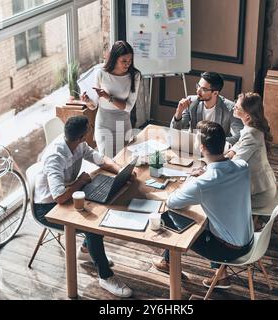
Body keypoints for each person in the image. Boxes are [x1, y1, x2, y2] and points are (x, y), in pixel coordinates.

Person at [34, 116, 134, 298]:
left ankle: (86, 250)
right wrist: (80, 181)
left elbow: (101, 160)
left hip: (69, 194)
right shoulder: (55, 156)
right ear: (81, 137)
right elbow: (59, 197)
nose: (91, 131)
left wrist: (122, 172)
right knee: (93, 228)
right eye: (89, 129)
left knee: (105, 206)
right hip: (47, 209)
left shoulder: (77, 144)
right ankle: (105, 277)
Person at [153, 121, 254, 289]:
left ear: (201, 148)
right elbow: (222, 175)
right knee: (205, 216)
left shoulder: (203, 183)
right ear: (224, 144)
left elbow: (172, 202)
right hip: (249, 239)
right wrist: (206, 171)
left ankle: (169, 265)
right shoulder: (242, 167)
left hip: (228, 250)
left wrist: (193, 179)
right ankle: (220, 274)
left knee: (171, 217)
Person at [81, 40, 141, 158]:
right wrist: (87, 101)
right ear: (114, 59)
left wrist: (108, 97)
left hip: (123, 123)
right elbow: (94, 106)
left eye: (130, 60)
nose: (127, 64)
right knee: (106, 160)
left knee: (123, 159)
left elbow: (128, 107)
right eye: (123, 61)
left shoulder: (135, 75)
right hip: (104, 123)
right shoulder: (101, 73)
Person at [225, 92, 277, 209]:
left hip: (259, 195)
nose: (234, 107)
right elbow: (240, 143)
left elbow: (234, 165)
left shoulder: (252, 134)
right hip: (264, 186)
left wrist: (214, 164)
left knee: (220, 197)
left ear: (247, 115)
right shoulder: (252, 128)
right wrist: (232, 151)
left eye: (237, 107)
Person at [170, 72, 243, 146]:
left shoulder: (229, 108)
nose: (198, 91)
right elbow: (176, 130)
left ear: (215, 93)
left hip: (216, 151)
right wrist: (179, 112)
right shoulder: (191, 102)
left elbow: (240, 135)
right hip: (194, 148)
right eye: (198, 86)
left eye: (204, 89)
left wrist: (215, 143)